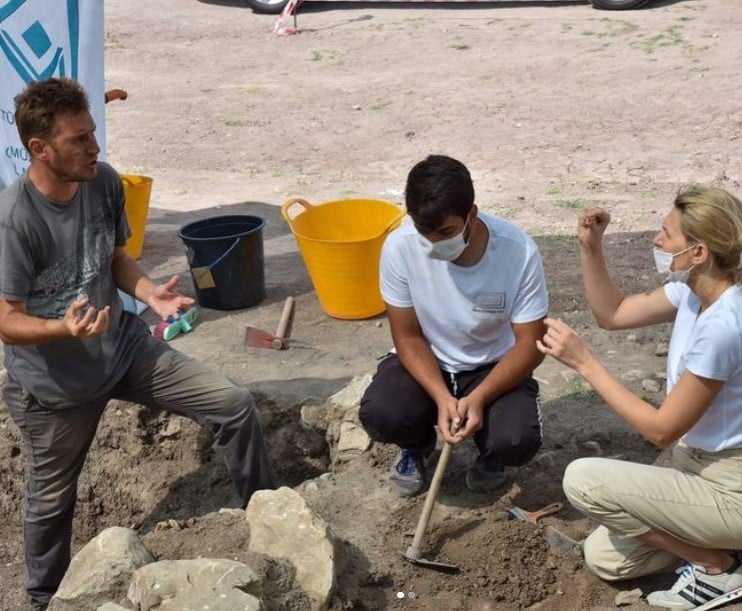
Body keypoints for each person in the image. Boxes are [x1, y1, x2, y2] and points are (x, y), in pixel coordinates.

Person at [0, 77, 275, 611]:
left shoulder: (102, 181)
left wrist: (150, 293)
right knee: (51, 503)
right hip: (55, 386)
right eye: (79, 139)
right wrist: (62, 329)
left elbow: (113, 257)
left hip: (123, 349)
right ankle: (42, 599)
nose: (95, 148)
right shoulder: (15, 220)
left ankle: (266, 524)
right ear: (40, 149)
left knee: (234, 404)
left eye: (93, 133)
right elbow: (6, 319)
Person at [537, 186, 742, 609]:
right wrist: (592, 248)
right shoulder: (694, 291)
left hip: (730, 485)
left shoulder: (725, 326)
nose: (656, 241)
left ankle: (717, 565)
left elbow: (661, 431)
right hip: (696, 468)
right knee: (605, 559)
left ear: (699, 252)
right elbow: (612, 313)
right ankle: (720, 541)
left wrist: (585, 363)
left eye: (666, 234)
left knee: (584, 481)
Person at [359, 155, 548, 497]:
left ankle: (491, 455)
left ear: (471, 215)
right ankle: (416, 444)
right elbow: (408, 336)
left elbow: (530, 344)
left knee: (516, 440)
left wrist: (478, 397)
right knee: (383, 414)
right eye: (424, 233)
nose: (433, 244)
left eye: (445, 233)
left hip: (492, 366)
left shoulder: (518, 252)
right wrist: (442, 396)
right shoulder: (399, 248)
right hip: (430, 360)